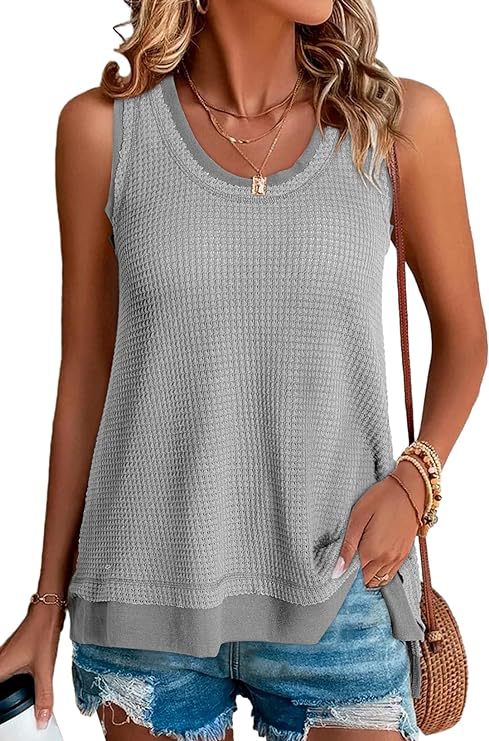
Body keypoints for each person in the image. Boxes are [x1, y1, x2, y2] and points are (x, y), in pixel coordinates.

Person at [0, 1, 486, 739]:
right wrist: (45, 604)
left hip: (341, 585)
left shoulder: (393, 125)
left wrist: (416, 478)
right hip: (141, 596)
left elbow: (465, 337)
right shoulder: (103, 131)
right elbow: (86, 372)